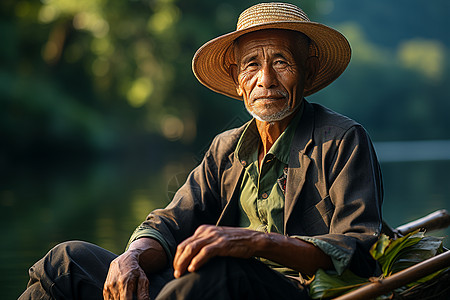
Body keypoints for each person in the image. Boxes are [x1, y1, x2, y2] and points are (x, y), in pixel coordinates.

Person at [19, 2, 383, 300]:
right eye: (252, 65)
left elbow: (360, 251)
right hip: (204, 288)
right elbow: (169, 222)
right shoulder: (226, 149)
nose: (266, 80)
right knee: (66, 260)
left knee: (221, 271)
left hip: (293, 290)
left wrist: (255, 242)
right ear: (238, 80)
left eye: (282, 62)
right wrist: (131, 258)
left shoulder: (343, 139)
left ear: (308, 70)